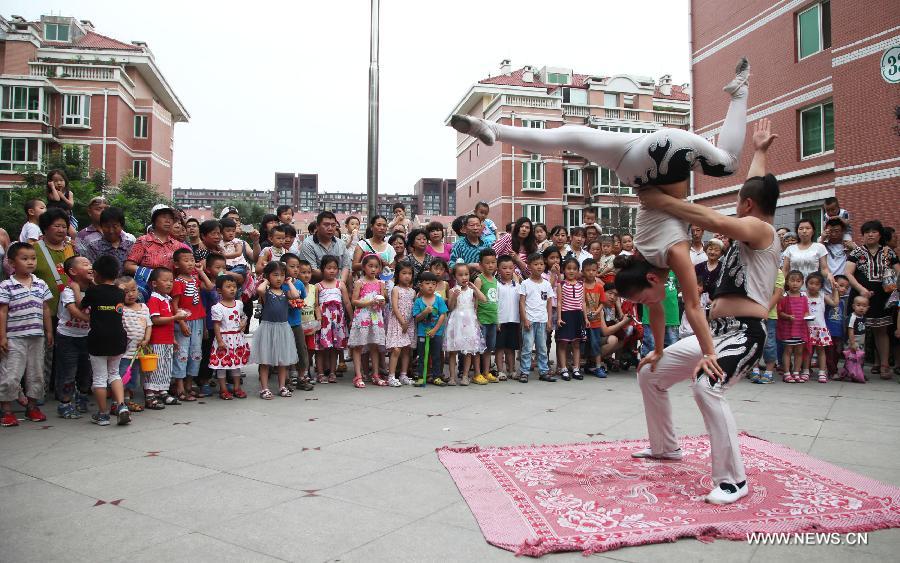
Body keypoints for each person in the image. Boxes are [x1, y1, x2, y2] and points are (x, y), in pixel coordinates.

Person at [622, 118, 780, 505]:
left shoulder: (763, 232)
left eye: (742, 202)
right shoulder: (752, 214)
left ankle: (733, 480)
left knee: (708, 386)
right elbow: (752, 192)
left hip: (745, 334)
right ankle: (666, 447)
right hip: (717, 331)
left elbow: (712, 219)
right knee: (651, 373)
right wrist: (758, 152)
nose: (739, 205)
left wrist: (662, 203)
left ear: (748, 207)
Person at [0, 242, 53, 427]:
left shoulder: (40, 283)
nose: (30, 262)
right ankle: (6, 410)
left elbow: (45, 308)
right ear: (12, 262)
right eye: (24, 259)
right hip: (15, 337)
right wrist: (2, 336)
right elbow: (3, 312)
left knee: (36, 373)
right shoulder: (7, 285)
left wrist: (48, 331)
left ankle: (32, 407)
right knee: (11, 374)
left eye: (33, 258)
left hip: (37, 336)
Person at [78, 256, 130, 426]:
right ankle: (121, 406)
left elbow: (81, 306)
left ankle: (102, 414)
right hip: (118, 338)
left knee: (99, 378)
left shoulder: (93, 291)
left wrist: (77, 288)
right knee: (114, 374)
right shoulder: (120, 293)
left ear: (97, 274)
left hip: (98, 339)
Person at [844, 220, 899, 378]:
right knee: (857, 330)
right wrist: (861, 289)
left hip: (882, 296)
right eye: (867, 232)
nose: (870, 234)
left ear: (880, 234)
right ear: (863, 235)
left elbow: (898, 271)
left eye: (874, 231)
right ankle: (855, 365)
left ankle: (884, 365)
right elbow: (848, 272)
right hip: (860, 296)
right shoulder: (857, 252)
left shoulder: (888, 252)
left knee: (881, 331)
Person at [250, 261, 299, 399]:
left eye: (282, 275)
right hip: (268, 329)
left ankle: (282, 386)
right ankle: (264, 388)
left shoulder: (285, 292)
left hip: (283, 329)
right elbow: (259, 290)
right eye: (275, 275)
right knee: (265, 361)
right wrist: (265, 280)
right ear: (268, 276)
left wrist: (289, 282)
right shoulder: (267, 292)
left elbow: (296, 295)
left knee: (282, 361)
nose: (279, 278)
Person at [171, 248, 214, 402]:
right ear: (176, 264)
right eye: (186, 260)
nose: (190, 263)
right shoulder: (177, 282)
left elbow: (210, 287)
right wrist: (181, 323)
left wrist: (201, 271)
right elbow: (174, 305)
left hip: (198, 321)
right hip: (184, 321)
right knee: (182, 354)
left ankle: (189, 386)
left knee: (195, 353)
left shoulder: (195, 279)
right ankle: (180, 387)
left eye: (191, 260)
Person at [54, 257, 94, 419]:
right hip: (67, 337)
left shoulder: (93, 290)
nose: (90, 266)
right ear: (72, 271)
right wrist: (97, 321)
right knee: (68, 372)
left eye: (90, 264)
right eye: (85, 264)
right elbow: (75, 311)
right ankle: (64, 403)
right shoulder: (68, 291)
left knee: (86, 372)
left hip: (87, 337)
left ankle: (82, 398)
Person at [145, 268, 190, 409]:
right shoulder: (154, 299)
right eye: (164, 280)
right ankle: (150, 394)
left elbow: (169, 324)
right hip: (156, 341)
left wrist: (173, 339)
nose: (169, 284)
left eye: (171, 281)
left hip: (166, 340)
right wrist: (175, 317)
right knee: (155, 369)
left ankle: (163, 391)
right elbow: (156, 320)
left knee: (165, 367)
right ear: (154, 283)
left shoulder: (167, 299)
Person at [125, 204, 185, 301]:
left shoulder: (178, 245)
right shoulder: (143, 241)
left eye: (171, 218)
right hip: (146, 293)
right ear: (154, 221)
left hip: (170, 296)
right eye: (164, 217)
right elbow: (129, 266)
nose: (168, 221)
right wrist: (153, 274)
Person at [348, 254, 388, 388]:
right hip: (363, 317)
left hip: (376, 317)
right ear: (364, 267)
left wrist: (381, 302)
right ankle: (358, 375)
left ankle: (375, 374)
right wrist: (369, 302)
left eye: (376, 267)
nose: (373, 269)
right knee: (359, 346)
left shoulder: (381, 283)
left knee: (374, 345)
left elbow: (384, 300)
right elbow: (354, 301)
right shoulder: (360, 282)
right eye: (370, 266)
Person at [209, 273, 251, 399]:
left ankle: (237, 388)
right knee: (222, 366)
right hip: (224, 339)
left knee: (236, 365)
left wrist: (244, 321)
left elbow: (243, 316)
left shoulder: (238, 304)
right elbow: (216, 325)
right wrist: (220, 341)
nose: (232, 289)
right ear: (219, 291)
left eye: (234, 286)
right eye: (228, 286)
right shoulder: (217, 308)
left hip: (237, 339)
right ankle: (223, 389)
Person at [445, 262, 487, 386]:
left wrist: (475, 289)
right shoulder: (453, 290)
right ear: (455, 277)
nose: (464, 277)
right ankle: (452, 377)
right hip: (456, 322)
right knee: (453, 351)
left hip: (469, 323)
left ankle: (465, 376)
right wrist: (453, 297)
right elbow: (451, 307)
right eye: (460, 275)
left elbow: (484, 299)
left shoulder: (471, 290)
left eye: (466, 274)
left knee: (468, 351)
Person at [116, 276, 151, 411]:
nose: (131, 294)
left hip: (137, 351)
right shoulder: (120, 309)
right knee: (122, 375)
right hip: (123, 351)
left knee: (133, 377)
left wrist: (146, 339)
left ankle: (127, 399)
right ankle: (120, 401)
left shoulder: (144, 307)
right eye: (125, 292)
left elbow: (148, 325)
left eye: (133, 290)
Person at [315, 255, 350, 383]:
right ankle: (320, 373)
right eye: (329, 268)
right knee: (321, 348)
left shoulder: (340, 285)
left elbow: (346, 303)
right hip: (324, 322)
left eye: (335, 268)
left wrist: (351, 318)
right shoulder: (318, 286)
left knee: (335, 348)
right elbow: (315, 305)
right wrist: (318, 320)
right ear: (322, 269)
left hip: (337, 322)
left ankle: (332, 372)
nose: (332, 271)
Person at [518, 253, 553, 383]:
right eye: (536, 264)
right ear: (529, 266)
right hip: (530, 320)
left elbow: (549, 302)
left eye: (541, 264)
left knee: (542, 347)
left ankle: (543, 371)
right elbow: (521, 302)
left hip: (542, 320)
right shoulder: (525, 284)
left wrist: (549, 320)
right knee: (527, 347)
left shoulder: (547, 284)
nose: (539, 267)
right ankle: (524, 371)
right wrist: (525, 319)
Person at [281, 254, 313, 392]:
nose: (295, 269)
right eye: (292, 266)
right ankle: (286, 379)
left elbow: (302, 299)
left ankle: (301, 378)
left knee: (302, 350)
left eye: (297, 267)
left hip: (296, 322)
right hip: (283, 323)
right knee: (285, 351)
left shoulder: (299, 284)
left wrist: (300, 303)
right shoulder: (280, 284)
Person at [748, 268, 784, 385]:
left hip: (770, 315)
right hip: (752, 312)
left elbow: (778, 293)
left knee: (769, 344)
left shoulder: (777, 272)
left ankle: (769, 372)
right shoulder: (752, 270)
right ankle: (755, 369)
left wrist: (764, 310)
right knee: (754, 342)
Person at [412, 272, 449, 386]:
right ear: (421, 285)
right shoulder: (418, 301)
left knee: (436, 355)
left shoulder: (439, 300)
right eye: (427, 283)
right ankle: (421, 376)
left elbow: (443, 315)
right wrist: (424, 312)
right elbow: (416, 318)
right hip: (422, 333)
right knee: (422, 355)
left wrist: (435, 330)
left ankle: (437, 376)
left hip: (436, 333)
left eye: (433, 284)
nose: (430, 286)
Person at [555, 258, 586, 381]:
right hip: (566, 315)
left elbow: (582, 302)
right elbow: (559, 302)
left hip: (577, 316)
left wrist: (585, 319)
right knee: (563, 343)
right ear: (564, 270)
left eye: (574, 269)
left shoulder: (581, 284)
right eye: (568, 268)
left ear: (578, 271)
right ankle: (563, 368)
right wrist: (559, 318)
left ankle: (576, 368)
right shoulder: (561, 284)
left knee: (576, 343)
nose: (571, 271)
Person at [81, 207, 135, 275]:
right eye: (107, 227)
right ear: (101, 226)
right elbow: (91, 272)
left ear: (122, 226)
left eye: (115, 227)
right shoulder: (94, 247)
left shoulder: (130, 243)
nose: (111, 231)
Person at [386, 262, 416, 386]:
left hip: (409, 322)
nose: (407, 276)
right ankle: (391, 376)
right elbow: (395, 307)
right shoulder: (395, 289)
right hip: (398, 322)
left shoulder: (413, 291)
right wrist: (402, 321)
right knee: (397, 349)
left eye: (409, 273)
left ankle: (404, 374)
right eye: (404, 273)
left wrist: (408, 322)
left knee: (406, 350)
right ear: (398, 275)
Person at [804, 271, 837, 383]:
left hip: (820, 328)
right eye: (811, 283)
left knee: (821, 351)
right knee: (808, 351)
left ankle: (822, 372)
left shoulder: (823, 295)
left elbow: (834, 303)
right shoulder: (803, 295)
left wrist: (835, 290)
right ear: (806, 283)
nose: (813, 286)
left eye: (817, 284)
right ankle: (806, 370)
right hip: (807, 328)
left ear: (821, 286)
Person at [300, 211, 350, 284]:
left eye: (333, 225)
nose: (330, 228)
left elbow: (346, 266)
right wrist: (333, 281)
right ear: (317, 226)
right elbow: (312, 270)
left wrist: (340, 283)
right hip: (316, 288)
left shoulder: (341, 243)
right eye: (326, 225)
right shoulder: (308, 244)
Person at [778, 270, 809, 382]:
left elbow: (806, 311)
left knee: (799, 352)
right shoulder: (784, 296)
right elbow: (780, 312)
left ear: (802, 283)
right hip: (788, 329)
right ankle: (786, 372)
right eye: (792, 280)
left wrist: (807, 316)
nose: (795, 283)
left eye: (798, 281)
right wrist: (787, 316)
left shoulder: (803, 296)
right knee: (788, 351)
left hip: (800, 328)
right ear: (787, 282)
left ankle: (796, 372)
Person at [782, 219, 832, 289]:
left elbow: (824, 269)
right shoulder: (790, 249)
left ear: (813, 231)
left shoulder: (820, 247)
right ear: (797, 231)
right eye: (801, 229)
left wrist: (829, 275)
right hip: (794, 288)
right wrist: (780, 286)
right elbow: (785, 270)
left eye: (808, 228)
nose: (804, 231)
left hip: (813, 288)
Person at [474, 249, 499, 384]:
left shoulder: (495, 280)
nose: (490, 265)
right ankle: (477, 373)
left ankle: (486, 371)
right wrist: (476, 318)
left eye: (493, 262)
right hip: (482, 319)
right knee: (479, 348)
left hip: (492, 319)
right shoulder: (479, 279)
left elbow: (496, 301)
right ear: (481, 265)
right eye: (487, 263)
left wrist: (498, 320)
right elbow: (476, 300)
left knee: (489, 348)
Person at [495, 255, 520, 381]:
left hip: (514, 320)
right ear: (498, 269)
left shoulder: (517, 285)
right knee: (499, 347)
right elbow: (495, 303)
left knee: (511, 347)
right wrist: (496, 320)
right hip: (501, 321)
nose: (508, 270)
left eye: (511, 268)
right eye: (504, 268)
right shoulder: (496, 284)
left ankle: (512, 369)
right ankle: (500, 371)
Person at [583, 258, 609, 377]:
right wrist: (586, 315)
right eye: (588, 270)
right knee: (583, 343)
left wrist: (596, 312)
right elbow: (581, 302)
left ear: (597, 270)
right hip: (584, 321)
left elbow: (602, 303)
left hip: (596, 321)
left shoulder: (599, 287)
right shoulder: (581, 286)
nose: (591, 273)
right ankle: (581, 366)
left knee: (596, 344)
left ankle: (598, 367)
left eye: (593, 270)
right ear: (583, 271)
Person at [824, 275, 850, 380]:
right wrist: (834, 291)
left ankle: (832, 369)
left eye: (846, 287)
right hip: (828, 331)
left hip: (839, 332)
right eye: (841, 285)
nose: (843, 289)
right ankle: (832, 371)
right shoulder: (828, 298)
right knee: (829, 352)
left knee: (837, 352)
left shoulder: (845, 301)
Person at [841, 295, 869, 383]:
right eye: (859, 305)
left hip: (861, 341)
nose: (861, 308)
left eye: (864, 306)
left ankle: (858, 372)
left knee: (860, 358)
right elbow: (850, 330)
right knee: (851, 359)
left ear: (867, 308)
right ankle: (850, 373)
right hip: (854, 341)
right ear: (853, 306)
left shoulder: (863, 317)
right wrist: (852, 343)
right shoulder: (853, 317)